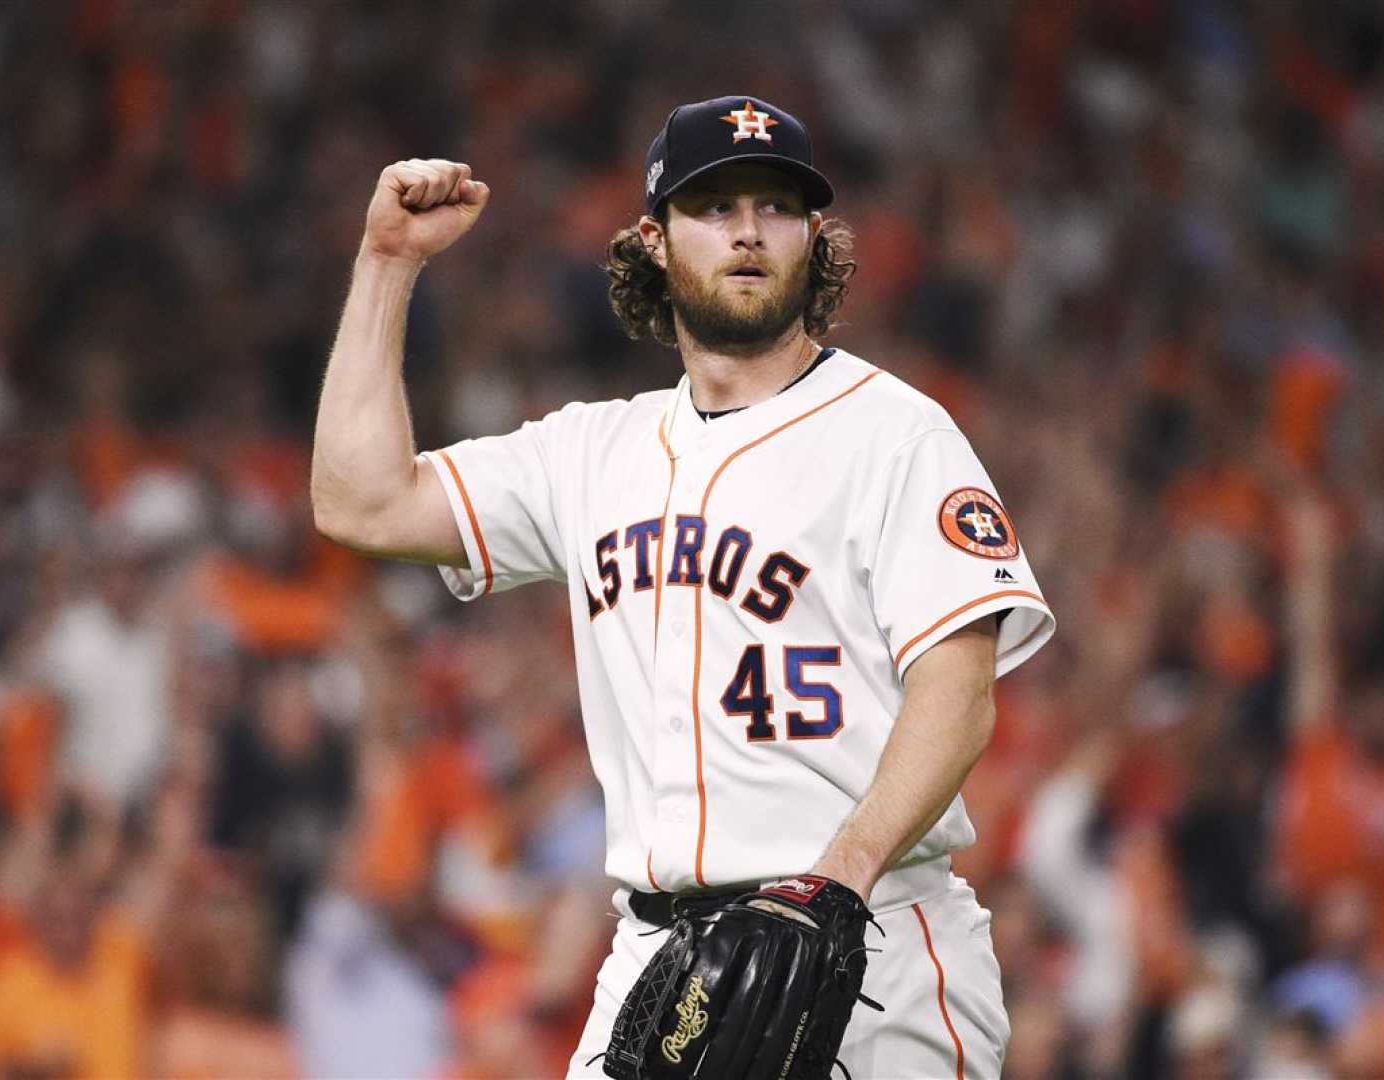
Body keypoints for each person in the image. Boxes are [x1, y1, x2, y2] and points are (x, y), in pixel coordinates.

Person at [312, 95, 1055, 1078]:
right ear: (654, 242)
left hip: (873, 947)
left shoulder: (897, 434)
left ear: (815, 239)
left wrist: (836, 877)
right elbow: (362, 502)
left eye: (777, 207)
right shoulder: (590, 451)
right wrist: (387, 265)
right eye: (714, 207)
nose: (747, 231)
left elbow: (958, 696)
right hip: (659, 961)